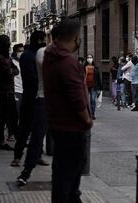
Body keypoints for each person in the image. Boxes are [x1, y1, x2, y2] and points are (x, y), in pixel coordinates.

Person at [43, 20, 93, 203]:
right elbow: (76, 97)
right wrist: (87, 119)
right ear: (74, 38)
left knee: (63, 178)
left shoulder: (51, 56)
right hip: (72, 127)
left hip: (58, 125)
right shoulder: (67, 62)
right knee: (69, 183)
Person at [11, 31, 47, 167]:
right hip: (30, 97)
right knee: (25, 128)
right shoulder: (27, 56)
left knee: (39, 130)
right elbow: (31, 77)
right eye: (43, 40)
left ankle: (38, 155)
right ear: (38, 40)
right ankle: (17, 156)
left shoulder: (40, 55)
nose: (45, 42)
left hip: (40, 97)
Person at [0, 35, 19, 150]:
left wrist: (11, 71)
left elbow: (15, 70)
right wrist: (11, 71)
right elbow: (7, 73)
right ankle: (2, 141)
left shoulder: (6, 57)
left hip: (9, 91)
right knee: (2, 118)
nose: (9, 43)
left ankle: (16, 137)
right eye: (7, 41)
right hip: (3, 92)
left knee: (13, 117)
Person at [84, 54, 102, 120]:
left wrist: (100, 88)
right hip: (85, 86)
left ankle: (92, 114)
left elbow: (98, 78)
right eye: (88, 57)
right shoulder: (84, 67)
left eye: (90, 57)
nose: (89, 58)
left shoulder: (95, 67)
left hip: (93, 86)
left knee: (92, 100)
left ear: (92, 58)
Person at [11, 44, 24, 115]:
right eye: (19, 51)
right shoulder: (12, 62)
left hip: (24, 91)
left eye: (22, 51)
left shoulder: (24, 62)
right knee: (16, 112)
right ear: (15, 52)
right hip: (16, 90)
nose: (21, 53)